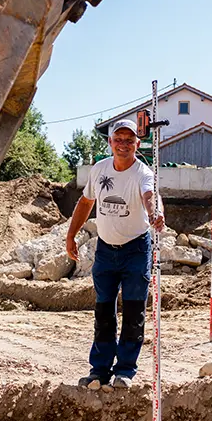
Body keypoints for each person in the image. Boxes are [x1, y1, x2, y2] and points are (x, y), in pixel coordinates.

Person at [66, 119, 164, 390]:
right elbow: (86, 202)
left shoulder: (143, 172)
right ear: (110, 143)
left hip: (136, 248)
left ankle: (125, 371)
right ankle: (99, 371)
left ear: (137, 144)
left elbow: (149, 195)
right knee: (103, 311)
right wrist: (71, 234)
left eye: (129, 140)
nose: (123, 145)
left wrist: (155, 214)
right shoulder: (99, 170)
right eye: (118, 139)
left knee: (134, 311)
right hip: (106, 251)